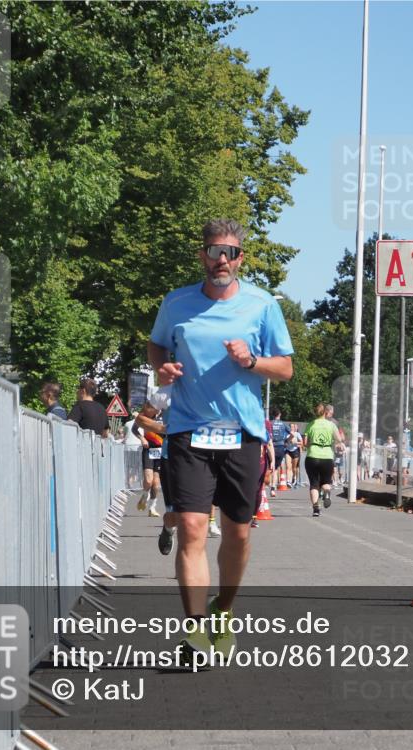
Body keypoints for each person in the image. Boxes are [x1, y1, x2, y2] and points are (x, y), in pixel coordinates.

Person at [147, 218, 294, 660]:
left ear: (240, 259)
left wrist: (251, 362)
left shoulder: (262, 305)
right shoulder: (176, 304)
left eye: (229, 253)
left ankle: (223, 611)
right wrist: (163, 367)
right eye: (213, 252)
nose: (221, 260)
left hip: (242, 434)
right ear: (202, 256)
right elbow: (157, 346)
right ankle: (193, 633)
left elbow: (285, 368)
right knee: (192, 527)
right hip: (189, 429)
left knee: (237, 535)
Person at [303, 403, 338, 516]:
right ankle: (326, 493)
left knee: (314, 483)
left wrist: (311, 444)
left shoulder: (310, 425)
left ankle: (316, 509)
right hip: (327, 456)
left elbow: (305, 443)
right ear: (325, 412)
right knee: (326, 481)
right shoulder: (331, 425)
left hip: (312, 456)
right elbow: (339, 438)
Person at [132, 401, 165, 517]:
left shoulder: (165, 414)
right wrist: (142, 438)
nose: (146, 412)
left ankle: (152, 507)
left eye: (149, 410)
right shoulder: (144, 416)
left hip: (161, 450)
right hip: (148, 449)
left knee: (156, 484)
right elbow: (134, 429)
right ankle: (145, 495)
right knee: (148, 480)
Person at [269, 408, 289, 492]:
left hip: (271, 446)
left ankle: (267, 484)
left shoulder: (269, 423)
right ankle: (273, 487)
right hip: (280, 446)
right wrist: (287, 440)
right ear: (279, 414)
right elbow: (291, 433)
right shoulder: (283, 424)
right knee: (276, 468)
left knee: (269, 467)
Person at [285, 423, 302, 487]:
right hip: (288, 451)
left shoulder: (297, 434)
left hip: (295, 451)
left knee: (294, 468)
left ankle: (294, 478)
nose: (292, 428)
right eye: (291, 427)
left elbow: (302, 442)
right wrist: (287, 442)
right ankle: (288, 481)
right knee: (288, 467)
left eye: (293, 427)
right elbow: (285, 443)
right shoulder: (286, 434)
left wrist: (296, 442)